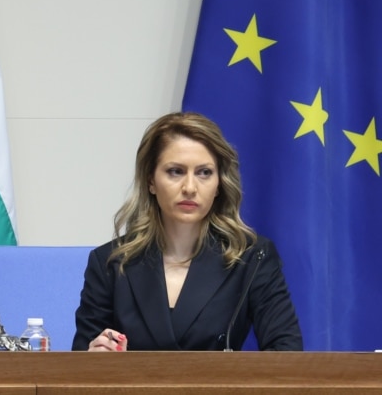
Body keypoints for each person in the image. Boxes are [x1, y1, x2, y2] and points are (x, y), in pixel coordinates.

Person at [72, 112, 302, 351]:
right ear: (151, 181)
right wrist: (95, 355)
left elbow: (286, 351)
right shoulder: (110, 263)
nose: (190, 188)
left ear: (219, 184)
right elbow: (79, 363)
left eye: (204, 173)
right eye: (176, 171)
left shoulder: (252, 258)